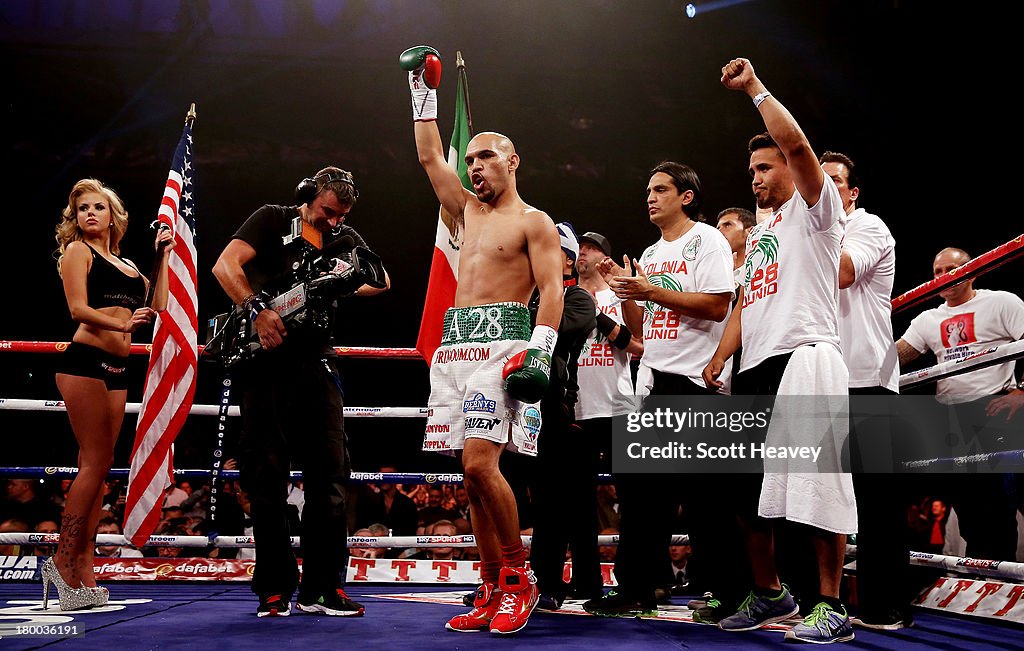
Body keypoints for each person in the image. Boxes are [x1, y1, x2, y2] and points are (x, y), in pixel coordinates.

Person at [403, 45, 564, 635]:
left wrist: (538, 352)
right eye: (470, 159)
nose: (474, 167)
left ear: (513, 161)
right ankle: (492, 584)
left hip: (504, 344)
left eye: (486, 157)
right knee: (466, 478)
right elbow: (426, 153)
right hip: (455, 347)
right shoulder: (466, 212)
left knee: (480, 466)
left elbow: (551, 290)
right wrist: (422, 87)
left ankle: (522, 579)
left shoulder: (534, 221)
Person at [703, 58, 855, 644]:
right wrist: (720, 357)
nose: (755, 177)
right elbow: (746, 302)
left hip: (806, 356)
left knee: (821, 484)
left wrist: (755, 89)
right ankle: (770, 593)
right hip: (757, 365)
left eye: (764, 166)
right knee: (744, 490)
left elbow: (796, 143)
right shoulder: (763, 234)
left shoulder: (817, 212)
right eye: (751, 169)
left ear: (792, 168)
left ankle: (831, 603)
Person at [212, 165, 389, 618]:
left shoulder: (342, 237)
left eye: (342, 215)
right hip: (265, 362)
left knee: (330, 477)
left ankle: (324, 587)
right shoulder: (272, 217)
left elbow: (382, 280)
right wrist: (254, 309)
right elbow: (224, 265)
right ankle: (273, 587)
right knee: (266, 479)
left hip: (316, 363)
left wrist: (338, 279)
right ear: (308, 195)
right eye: (328, 211)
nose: (334, 221)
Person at [585, 162, 734, 619]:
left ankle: (723, 593)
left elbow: (716, 304)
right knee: (640, 497)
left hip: (694, 384)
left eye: (661, 189)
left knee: (707, 501)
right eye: (648, 190)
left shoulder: (706, 240)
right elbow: (642, 331)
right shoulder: (649, 254)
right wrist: (629, 294)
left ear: (686, 196)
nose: (650, 197)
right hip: (650, 381)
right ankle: (636, 590)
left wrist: (649, 291)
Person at [49, 178, 172, 611]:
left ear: (112, 215)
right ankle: (61, 561)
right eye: (82, 208)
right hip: (84, 361)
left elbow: (157, 304)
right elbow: (77, 310)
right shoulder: (77, 252)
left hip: (118, 369)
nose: (89, 214)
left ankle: (84, 561)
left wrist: (164, 254)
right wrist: (122, 326)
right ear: (76, 217)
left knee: (99, 469)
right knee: (95, 462)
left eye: (97, 207)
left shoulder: (128, 265)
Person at [819, 151, 908, 630]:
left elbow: (843, 274)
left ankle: (883, 604)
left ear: (852, 193)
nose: (825, 187)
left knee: (876, 500)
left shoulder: (868, 226)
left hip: (866, 381)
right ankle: (820, 600)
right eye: (818, 179)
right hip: (818, 382)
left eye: (835, 181)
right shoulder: (807, 230)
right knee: (813, 497)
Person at [896, 247, 1024, 564]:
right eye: (938, 271)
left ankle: (1001, 577)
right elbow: (896, 357)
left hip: (994, 408)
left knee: (997, 499)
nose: (945, 276)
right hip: (950, 417)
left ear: (973, 271)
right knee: (967, 503)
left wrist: (1022, 391)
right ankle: (981, 574)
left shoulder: (1001, 302)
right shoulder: (929, 319)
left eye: (952, 268)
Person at [527, 222, 600, 610]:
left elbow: (550, 331)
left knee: (552, 502)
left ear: (568, 260)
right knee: (516, 494)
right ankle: (503, 581)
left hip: (554, 410)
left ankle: (548, 584)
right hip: (516, 405)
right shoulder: (526, 295)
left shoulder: (579, 301)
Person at [715, 208, 756, 293]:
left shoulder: (761, 271)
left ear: (750, 231)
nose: (719, 232)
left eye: (727, 225)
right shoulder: (715, 277)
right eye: (718, 228)